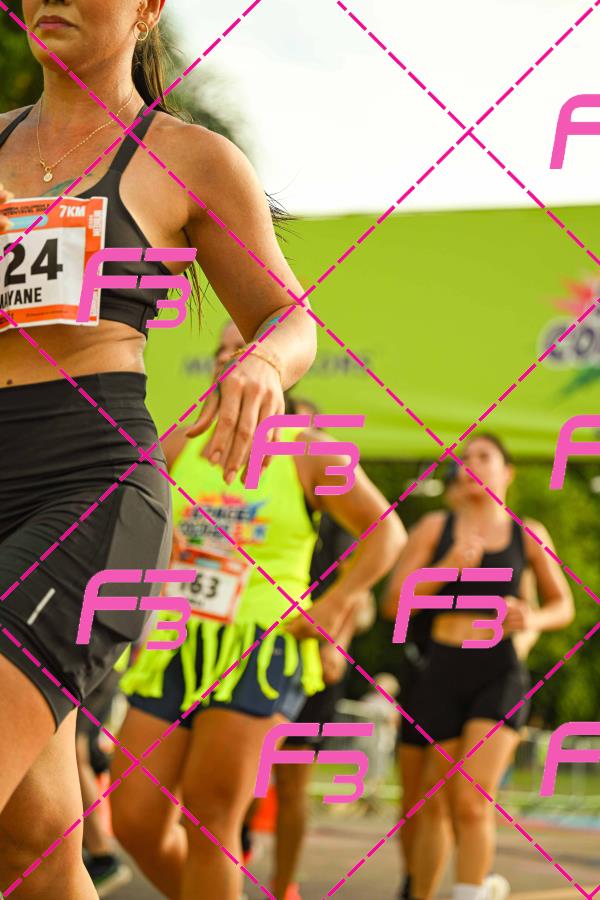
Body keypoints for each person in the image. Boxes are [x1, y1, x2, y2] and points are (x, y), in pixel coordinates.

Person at [0, 2, 319, 895]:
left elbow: (289, 317)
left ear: (146, 8)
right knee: (32, 850)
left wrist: (262, 364)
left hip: (88, 485)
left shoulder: (188, 158)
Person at [110, 320, 405, 900]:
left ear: (278, 365)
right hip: (175, 641)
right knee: (134, 817)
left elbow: (386, 533)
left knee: (210, 818)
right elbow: (133, 517)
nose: (230, 358)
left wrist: (335, 605)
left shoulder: (309, 450)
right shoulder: (182, 440)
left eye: (243, 349)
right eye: (221, 350)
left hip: (261, 646)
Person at [382, 434, 574, 900]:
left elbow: (563, 605)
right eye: (463, 458)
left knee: (471, 799)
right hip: (442, 669)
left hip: (498, 670)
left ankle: (470, 892)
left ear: (507, 471)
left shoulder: (528, 533)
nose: (471, 464)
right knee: (433, 803)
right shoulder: (436, 526)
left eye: (483, 457)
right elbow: (393, 604)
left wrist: (532, 618)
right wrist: (448, 566)